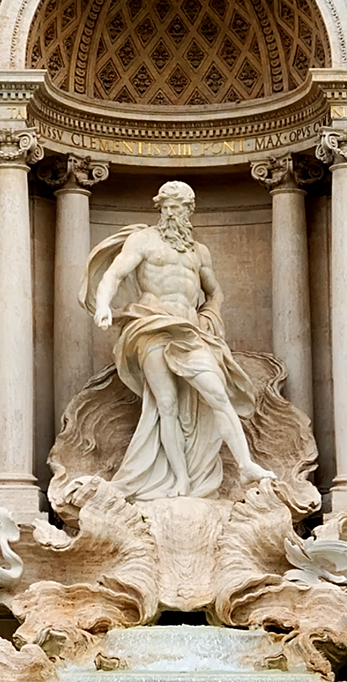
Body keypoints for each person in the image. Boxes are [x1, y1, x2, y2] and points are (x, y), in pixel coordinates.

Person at [83, 181, 266, 504]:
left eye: (176, 207)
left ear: (188, 211)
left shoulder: (199, 252)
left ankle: (246, 464)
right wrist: (102, 307)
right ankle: (180, 477)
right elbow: (114, 274)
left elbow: (215, 291)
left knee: (217, 393)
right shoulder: (144, 240)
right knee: (165, 404)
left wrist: (211, 313)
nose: (170, 212)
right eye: (165, 206)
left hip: (190, 330)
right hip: (151, 326)